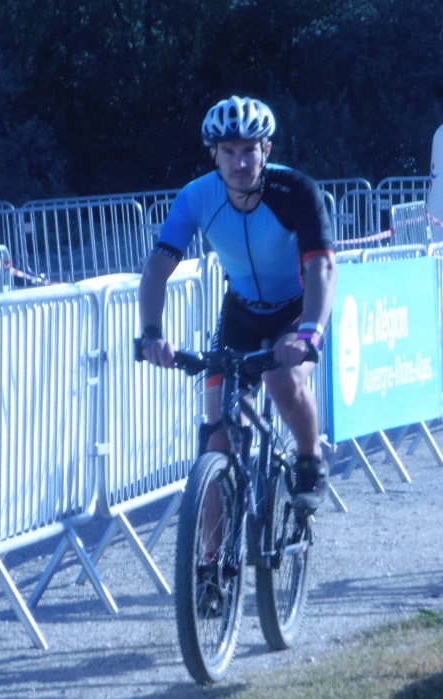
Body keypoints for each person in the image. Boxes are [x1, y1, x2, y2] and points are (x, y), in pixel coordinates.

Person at [138, 96, 337, 510]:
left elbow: (321, 267)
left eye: (249, 149)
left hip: (297, 310)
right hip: (241, 313)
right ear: (214, 154)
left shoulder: (296, 190)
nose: (240, 162)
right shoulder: (196, 197)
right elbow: (156, 269)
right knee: (217, 437)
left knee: (282, 381)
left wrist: (310, 334)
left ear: (267, 149)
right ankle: (209, 550)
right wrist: (152, 334)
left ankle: (310, 458)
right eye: (228, 151)